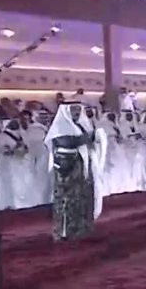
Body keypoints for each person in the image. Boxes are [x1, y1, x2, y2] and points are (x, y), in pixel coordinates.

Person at [44, 101, 108, 240]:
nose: (77, 113)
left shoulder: (82, 126)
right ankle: (65, 231)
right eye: (73, 110)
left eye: (78, 110)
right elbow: (65, 141)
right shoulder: (60, 125)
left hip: (82, 167)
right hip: (66, 168)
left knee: (83, 197)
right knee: (67, 199)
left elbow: (87, 140)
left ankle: (82, 228)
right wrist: (86, 138)